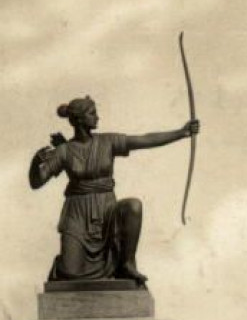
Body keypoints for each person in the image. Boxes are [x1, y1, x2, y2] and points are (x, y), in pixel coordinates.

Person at [29, 96, 199, 284]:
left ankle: (127, 264)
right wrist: (35, 162)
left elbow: (144, 140)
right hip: (76, 214)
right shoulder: (64, 150)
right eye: (92, 113)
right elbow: (37, 182)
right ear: (79, 119)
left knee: (133, 206)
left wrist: (181, 133)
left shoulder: (107, 142)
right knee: (69, 273)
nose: (98, 117)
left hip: (107, 209)